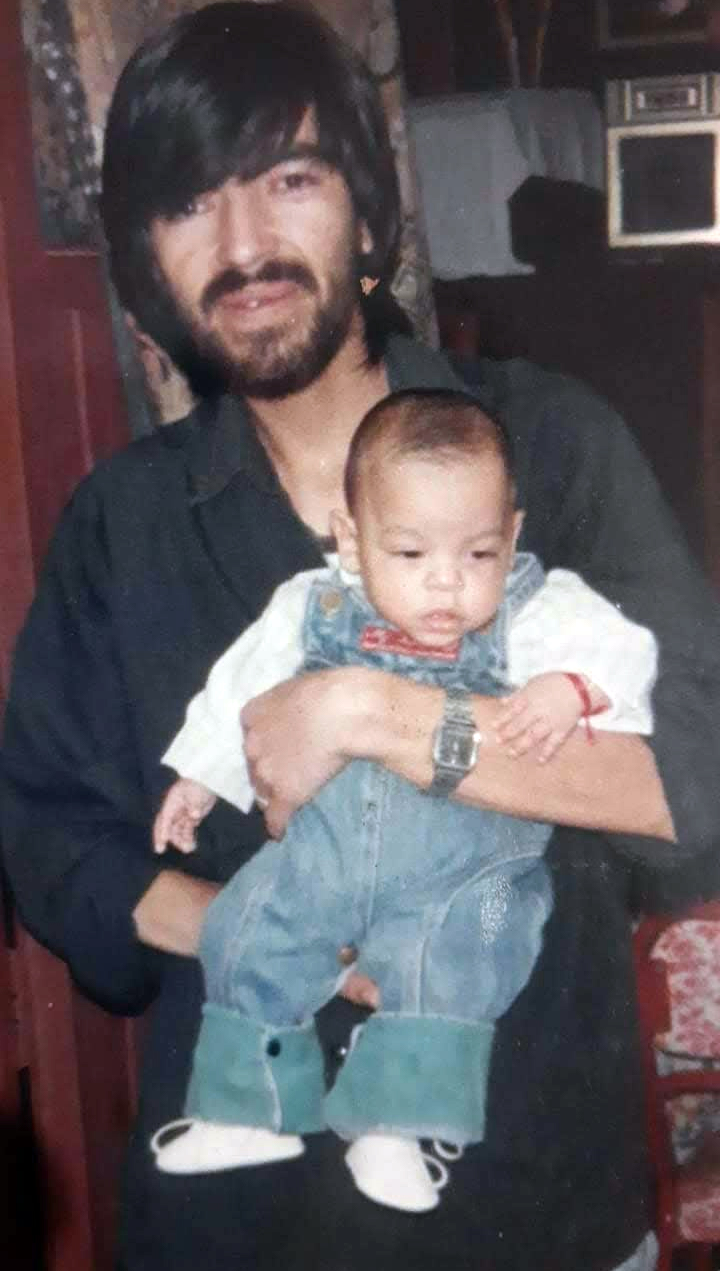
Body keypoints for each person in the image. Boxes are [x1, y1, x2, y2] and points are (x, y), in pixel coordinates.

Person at [2, 0, 720, 1271]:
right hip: (240, 1229)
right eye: (188, 205)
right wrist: (264, 929)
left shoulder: (549, 443)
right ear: (145, 260)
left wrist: (378, 716)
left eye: (287, 177)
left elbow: (703, 784)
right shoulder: (121, 524)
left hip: (531, 1200)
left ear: (368, 209)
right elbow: (53, 841)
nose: (242, 244)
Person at [150, 387, 657, 1212]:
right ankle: (253, 1111)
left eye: (480, 555)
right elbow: (237, 688)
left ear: (514, 536)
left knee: (453, 968)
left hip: (465, 870)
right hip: (322, 853)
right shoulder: (308, 606)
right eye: (411, 555)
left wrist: (573, 686)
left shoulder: (538, 608)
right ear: (350, 538)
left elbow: (623, 651)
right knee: (246, 929)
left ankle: (398, 1128)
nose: (447, 587)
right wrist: (200, 779)